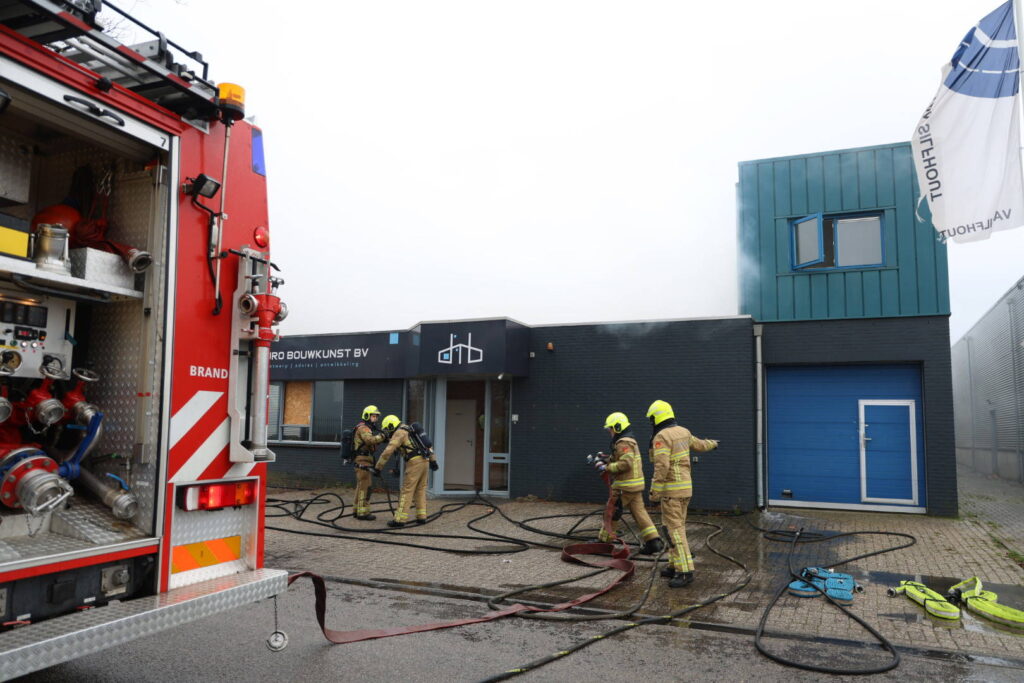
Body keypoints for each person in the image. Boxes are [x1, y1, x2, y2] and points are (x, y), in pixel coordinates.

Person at [646, 399, 719, 588]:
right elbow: (700, 444)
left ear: (657, 418)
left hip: (671, 492)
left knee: (675, 532)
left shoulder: (662, 436)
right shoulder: (683, 432)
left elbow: (662, 466)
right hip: (685, 490)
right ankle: (674, 565)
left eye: (651, 419)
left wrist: (654, 492)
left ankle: (685, 571)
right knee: (671, 529)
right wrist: (713, 444)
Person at [591, 412, 663, 555]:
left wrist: (606, 467)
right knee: (640, 514)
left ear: (618, 427)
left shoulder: (623, 443)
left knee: (611, 511)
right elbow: (620, 458)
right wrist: (605, 459)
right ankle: (654, 542)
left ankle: (604, 542)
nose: (610, 432)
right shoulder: (628, 441)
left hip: (625, 486)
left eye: (611, 429)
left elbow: (626, 463)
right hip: (634, 486)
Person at [375, 415, 438, 528]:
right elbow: (428, 446)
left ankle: (399, 520)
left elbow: (388, 452)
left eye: (387, 429)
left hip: (414, 463)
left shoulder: (399, 432)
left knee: (407, 490)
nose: (387, 433)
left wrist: (378, 467)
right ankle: (421, 517)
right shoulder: (410, 430)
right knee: (420, 489)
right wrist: (433, 460)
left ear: (391, 426)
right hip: (425, 461)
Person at [352, 405, 385, 520]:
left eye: (376, 417)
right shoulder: (364, 428)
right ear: (367, 416)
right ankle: (363, 513)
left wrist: (381, 438)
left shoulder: (365, 428)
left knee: (361, 486)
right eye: (373, 416)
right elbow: (369, 440)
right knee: (366, 487)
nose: (375, 419)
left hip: (364, 460)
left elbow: (371, 443)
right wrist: (382, 436)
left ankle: (356, 510)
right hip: (363, 461)